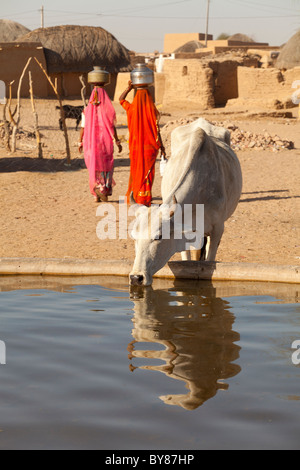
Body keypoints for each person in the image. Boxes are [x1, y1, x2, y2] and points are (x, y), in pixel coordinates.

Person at [119, 80, 166, 207]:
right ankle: (144, 197)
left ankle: (135, 195)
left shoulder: (132, 109)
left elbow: (121, 99)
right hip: (150, 147)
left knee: (136, 170)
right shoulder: (152, 110)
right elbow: (156, 130)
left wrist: (129, 88)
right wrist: (161, 146)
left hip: (135, 147)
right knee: (147, 174)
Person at [79, 84, 122, 202]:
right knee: (105, 167)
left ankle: (96, 193)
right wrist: (117, 141)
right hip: (105, 143)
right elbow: (112, 127)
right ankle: (105, 190)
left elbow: (83, 128)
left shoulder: (86, 111)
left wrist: (80, 142)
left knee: (94, 166)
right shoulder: (108, 111)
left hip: (91, 144)